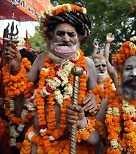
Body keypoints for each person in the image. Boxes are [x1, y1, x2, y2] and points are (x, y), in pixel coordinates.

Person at [2, 3, 100, 153]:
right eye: (60, 33)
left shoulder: (88, 64)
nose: (66, 38)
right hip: (40, 143)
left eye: (71, 34)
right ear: (51, 36)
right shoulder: (42, 59)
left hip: (73, 144)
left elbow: (98, 99)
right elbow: (21, 92)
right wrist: (16, 68)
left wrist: (94, 98)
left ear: (79, 38)